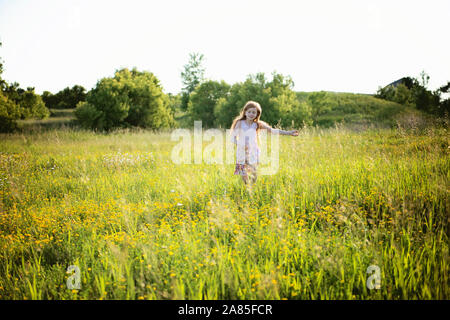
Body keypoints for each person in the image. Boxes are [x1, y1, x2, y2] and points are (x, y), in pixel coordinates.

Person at [230, 101, 299, 186]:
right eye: (249, 112)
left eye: (254, 112)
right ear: (245, 112)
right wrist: (241, 144)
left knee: (253, 175)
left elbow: (272, 131)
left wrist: (288, 133)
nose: (251, 114)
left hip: (253, 152)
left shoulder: (257, 124)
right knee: (244, 175)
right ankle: (246, 189)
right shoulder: (240, 123)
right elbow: (232, 138)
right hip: (242, 152)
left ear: (257, 114)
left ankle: (251, 189)